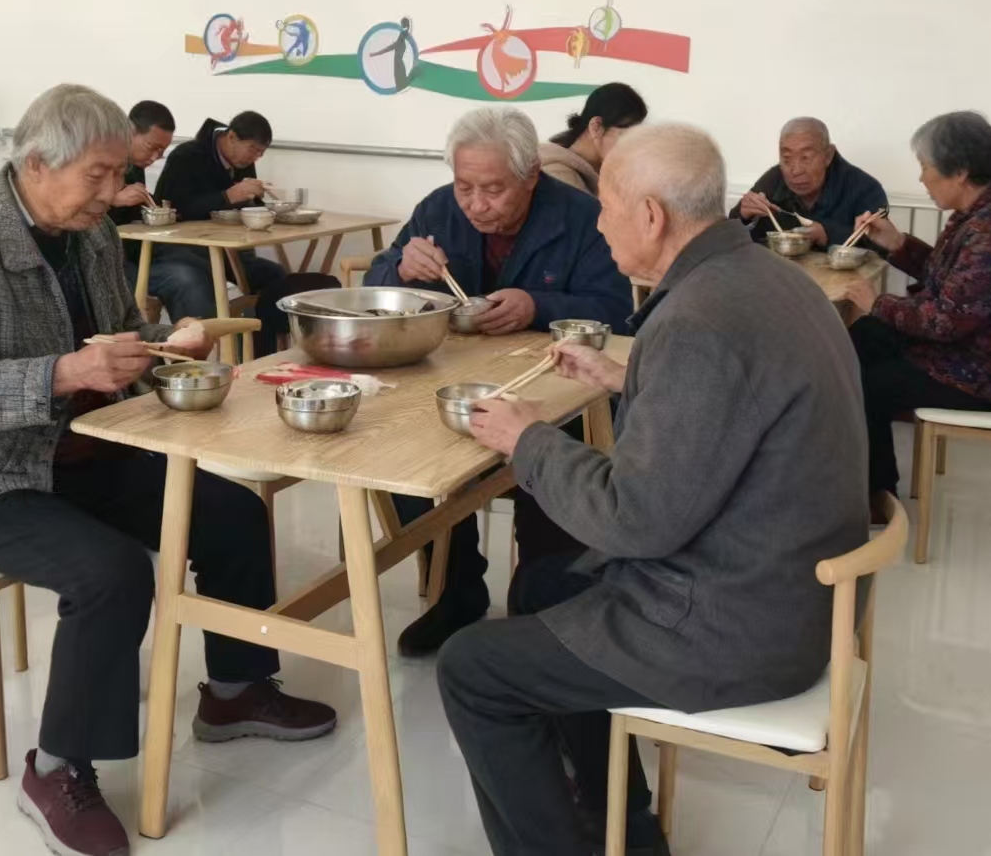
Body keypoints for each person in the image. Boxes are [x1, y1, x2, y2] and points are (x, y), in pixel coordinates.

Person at [0, 85, 336, 856]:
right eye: (97, 175)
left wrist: (167, 339)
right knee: (112, 572)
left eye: (118, 173)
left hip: (84, 448)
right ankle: (56, 767)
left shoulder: (90, 231)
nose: (113, 192)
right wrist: (65, 372)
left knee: (232, 512)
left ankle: (235, 690)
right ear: (36, 163)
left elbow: (118, 331)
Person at [438, 123, 869, 856]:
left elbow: (634, 521)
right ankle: (625, 826)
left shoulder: (699, 319)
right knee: (543, 586)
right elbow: (735, 402)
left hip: (739, 623)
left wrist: (527, 439)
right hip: (797, 586)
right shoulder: (768, 277)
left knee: (472, 668)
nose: (599, 224)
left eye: (606, 208)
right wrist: (628, 376)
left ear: (650, 216)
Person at [366, 106, 632, 655]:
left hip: (553, 387)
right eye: (465, 187)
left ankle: (542, 612)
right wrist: (400, 269)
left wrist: (538, 305)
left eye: (493, 190)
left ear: (530, 175)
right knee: (406, 456)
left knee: (551, 458)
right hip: (454, 385)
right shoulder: (437, 209)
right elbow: (378, 287)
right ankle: (456, 591)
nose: (476, 204)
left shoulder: (583, 217)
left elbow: (614, 313)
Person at [844, 111, 991, 515]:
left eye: (925, 167)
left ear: (960, 172)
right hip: (977, 347)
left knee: (867, 382)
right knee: (861, 339)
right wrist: (897, 244)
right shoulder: (988, 206)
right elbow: (954, 283)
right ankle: (855, 477)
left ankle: (876, 500)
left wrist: (877, 302)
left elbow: (946, 320)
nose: (921, 178)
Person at [150, 110, 285, 321]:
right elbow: (174, 209)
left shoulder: (243, 162)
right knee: (195, 286)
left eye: (260, 153)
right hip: (185, 252)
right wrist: (227, 196)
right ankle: (207, 339)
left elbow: (247, 206)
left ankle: (259, 341)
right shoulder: (187, 156)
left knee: (277, 278)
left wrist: (259, 202)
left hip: (230, 253)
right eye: (253, 149)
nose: (255, 157)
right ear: (231, 137)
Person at [733, 116, 886, 250]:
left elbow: (881, 247)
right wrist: (743, 215)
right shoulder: (773, 180)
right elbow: (730, 231)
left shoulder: (864, 188)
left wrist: (828, 234)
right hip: (778, 273)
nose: (795, 170)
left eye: (805, 158)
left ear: (828, 155)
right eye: (786, 158)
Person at [107, 99, 176, 295]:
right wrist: (114, 200)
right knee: (182, 278)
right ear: (129, 132)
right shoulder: (101, 159)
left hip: (130, 251)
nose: (154, 157)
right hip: (103, 258)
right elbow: (70, 208)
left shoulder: (135, 165)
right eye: (151, 147)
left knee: (191, 261)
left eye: (161, 152)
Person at [539, 82, 647, 194]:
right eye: (626, 136)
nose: (632, 147)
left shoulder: (602, 174)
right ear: (596, 127)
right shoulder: (560, 178)